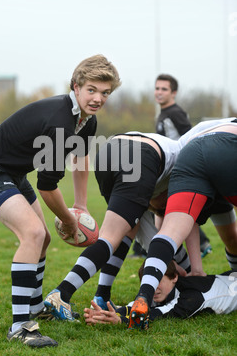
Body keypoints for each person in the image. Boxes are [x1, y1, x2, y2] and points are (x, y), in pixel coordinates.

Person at [0, 54, 121, 347]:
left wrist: (81, 207)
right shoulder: (60, 121)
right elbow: (48, 186)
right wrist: (69, 220)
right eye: (91, 89)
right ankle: (19, 326)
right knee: (34, 233)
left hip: (15, 174)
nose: (98, 98)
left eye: (105, 93)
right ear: (76, 86)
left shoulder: (87, 121)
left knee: (45, 239)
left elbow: (80, 159)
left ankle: (38, 307)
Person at [44, 118, 237, 321]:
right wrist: (192, 270)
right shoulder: (186, 159)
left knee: (124, 231)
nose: (159, 210)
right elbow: (184, 225)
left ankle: (101, 295)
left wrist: (180, 268)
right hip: (142, 156)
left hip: (109, 152)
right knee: (112, 236)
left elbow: (153, 239)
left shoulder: (190, 149)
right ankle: (62, 293)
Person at [129, 118, 237, 330]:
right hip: (225, 148)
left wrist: (196, 270)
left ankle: (144, 295)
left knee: (170, 231)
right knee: (230, 235)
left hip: (192, 153)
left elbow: (177, 222)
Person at [131, 73, 211, 258]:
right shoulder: (164, 113)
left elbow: (190, 138)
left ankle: (150, 250)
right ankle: (151, 250)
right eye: (157, 88)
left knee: (160, 206)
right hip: (167, 168)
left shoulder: (175, 113)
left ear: (173, 93)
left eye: (164, 89)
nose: (159, 92)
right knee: (162, 208)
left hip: (176, 169)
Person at [83, 261, 237, 327]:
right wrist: (105, 313)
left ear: (175, 277)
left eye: (158, 282)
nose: (153, 288)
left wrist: (121, 321)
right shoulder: (163, 290)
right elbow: (136, 306)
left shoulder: (193, 296)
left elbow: (161, 314)